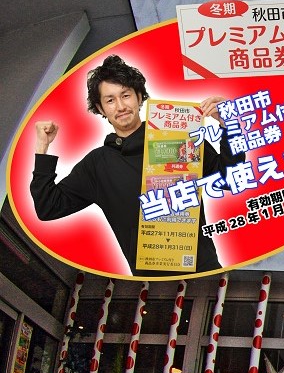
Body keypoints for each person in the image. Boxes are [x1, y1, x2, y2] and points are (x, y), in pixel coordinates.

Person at [29, 54, 244, 275]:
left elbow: (230, 179)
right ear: (101, 109)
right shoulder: (97, 164)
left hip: (204, 270)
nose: (121, 106)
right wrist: (41, 147)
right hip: (150, 281)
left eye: (126, 95)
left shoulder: (181, 137)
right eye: (110, 100)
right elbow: (48, 207)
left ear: (139, 97)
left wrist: (229, 126)